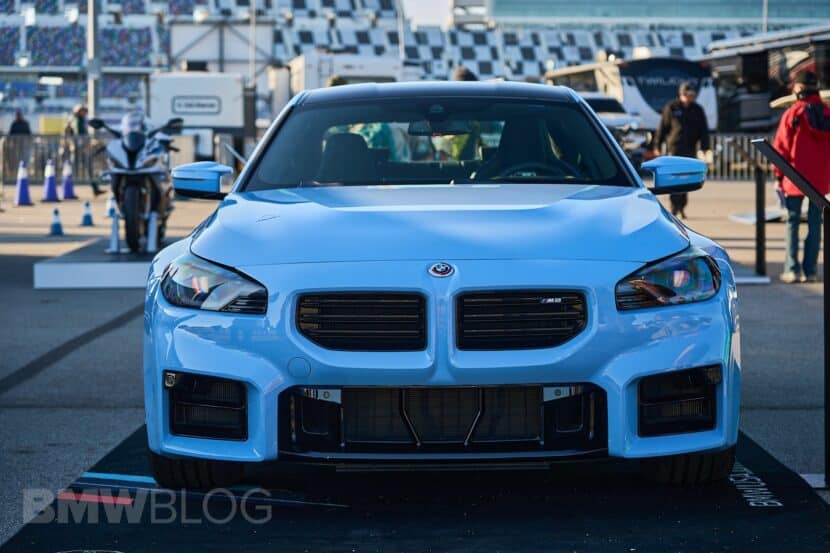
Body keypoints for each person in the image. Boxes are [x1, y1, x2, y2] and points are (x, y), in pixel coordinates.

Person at [772, 71, 830, 284]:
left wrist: (778, 176)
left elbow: (781, 147)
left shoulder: (794, 113)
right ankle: (811, 270)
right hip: (820, 179)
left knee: (793, 223)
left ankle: (792, 269)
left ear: (798, 88)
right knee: (815, 224)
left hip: (794, 176)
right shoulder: (827, 113)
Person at [651, 81, 711, 219]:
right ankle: (674, 207)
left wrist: (705, 147)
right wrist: (657, 146)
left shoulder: (697, 109)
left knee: (686, 180)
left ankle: (682, 206)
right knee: (674, 180)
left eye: (692, 95)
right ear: (681, 94)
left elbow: (704, 130)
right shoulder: (671, 107)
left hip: (690, 149)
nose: (689, 97)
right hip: (674, 149)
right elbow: (662, 128)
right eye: (687, 95)